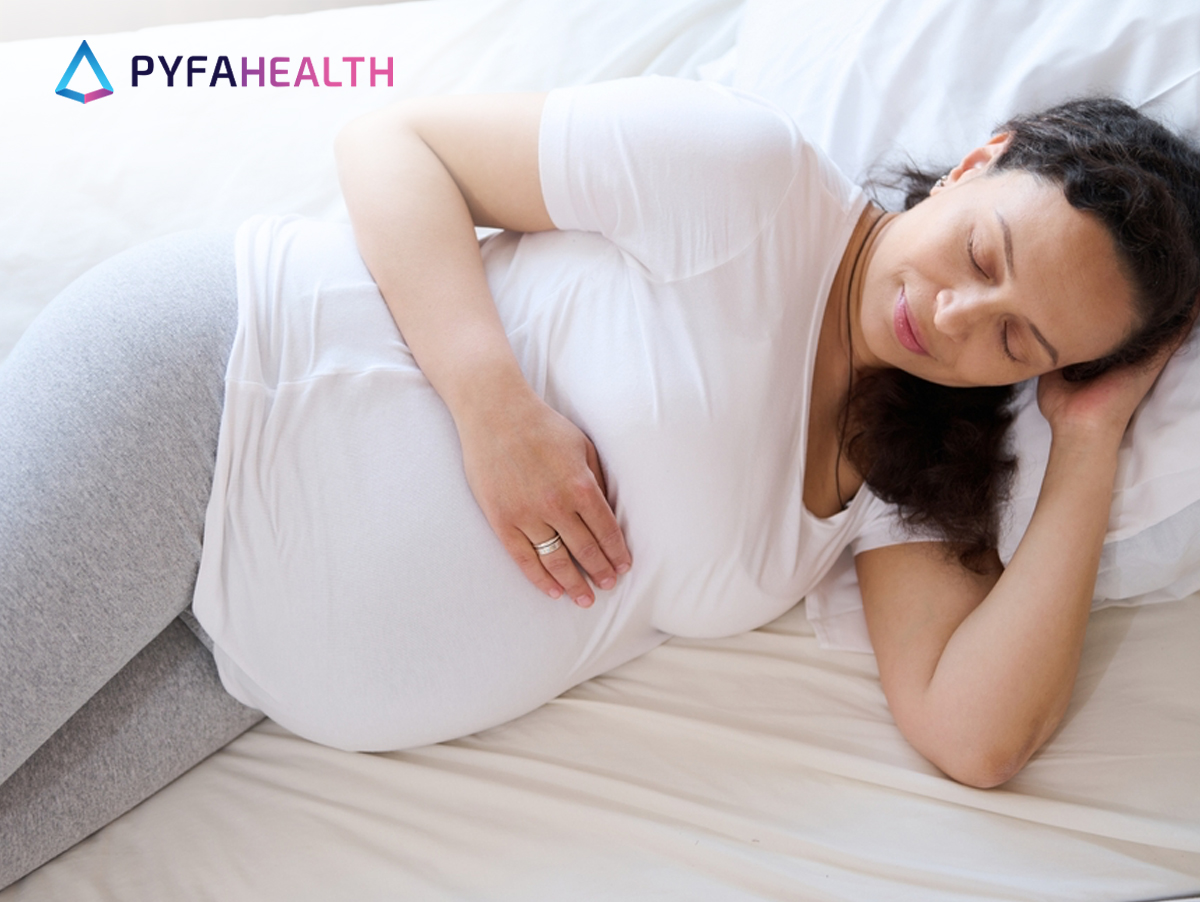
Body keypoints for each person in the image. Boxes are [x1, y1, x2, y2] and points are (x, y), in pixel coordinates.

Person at [2, 76, 1198, 888]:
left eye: (1020, 338)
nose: (956, 314)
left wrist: (1088, 440)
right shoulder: (751, 181)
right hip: (217, 401)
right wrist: (494, 407)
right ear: (978, 163)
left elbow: (975, 732)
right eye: (984, 254)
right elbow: (398, 141)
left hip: (239, 667)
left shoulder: (904, 467)